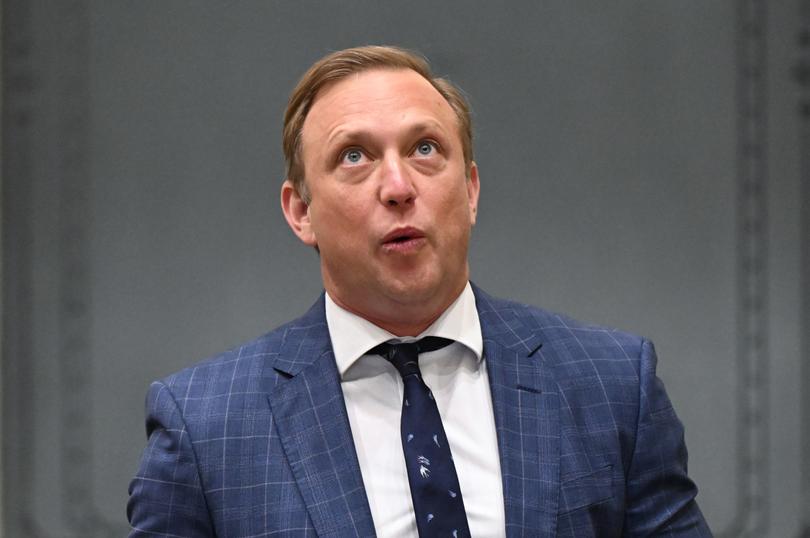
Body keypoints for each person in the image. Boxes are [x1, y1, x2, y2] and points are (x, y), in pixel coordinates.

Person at [127, 45, 712, 537]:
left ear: (471, 189)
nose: (399, 186)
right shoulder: (205, 426)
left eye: (425, 149)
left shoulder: (612, 385)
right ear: (301, 212)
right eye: (354, 156)